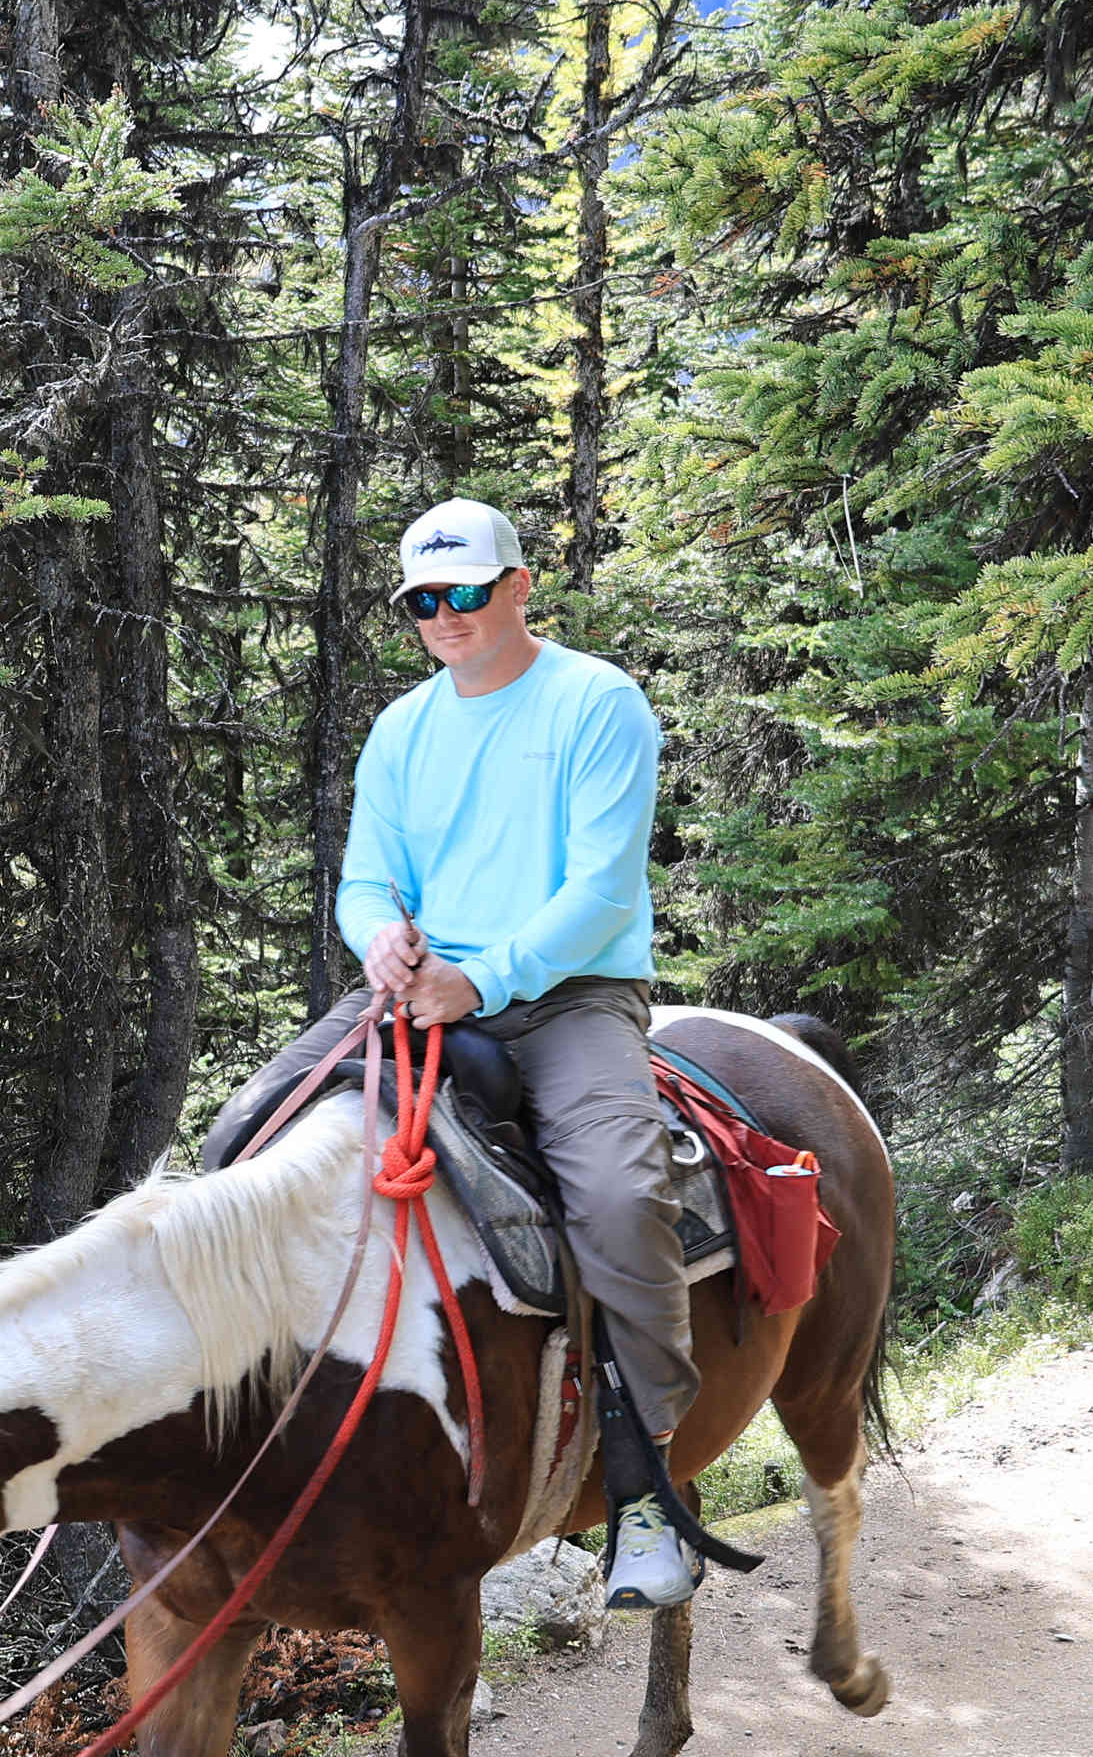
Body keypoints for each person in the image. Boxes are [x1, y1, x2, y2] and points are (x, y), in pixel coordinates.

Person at [213, 498, 721, 1613]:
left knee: (621, 1192)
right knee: (238, 1138)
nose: (444, 616)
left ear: (519, 586)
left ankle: (647, 1493)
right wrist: (379, 938)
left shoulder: (597, 701)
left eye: (466, 592)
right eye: (422, 601)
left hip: (567, 997)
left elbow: (598, 891)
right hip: (419, 989)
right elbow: (362, 878)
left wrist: (483, 980)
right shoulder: (403, 729)